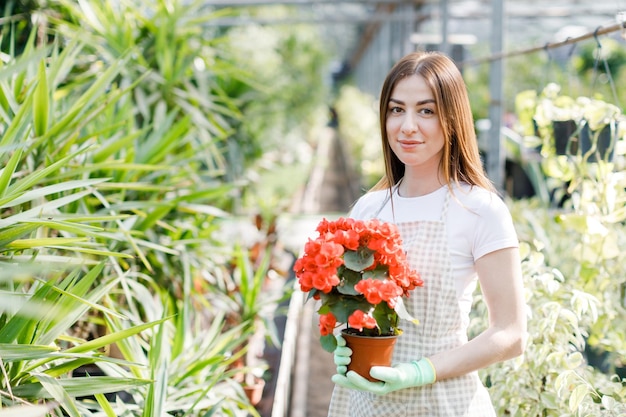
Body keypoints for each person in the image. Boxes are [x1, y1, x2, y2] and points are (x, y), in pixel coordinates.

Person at [327, 51, 527, 416]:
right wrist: (342, 342)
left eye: (426, 111)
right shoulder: (368, 209)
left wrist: (422, 370)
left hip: (444, 403)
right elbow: (347, 306)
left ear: (452, 118)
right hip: (365, 403)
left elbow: (511, 334)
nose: (407, 126)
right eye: (396, 109)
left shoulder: (480, 210)